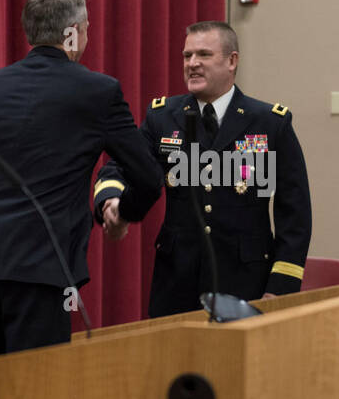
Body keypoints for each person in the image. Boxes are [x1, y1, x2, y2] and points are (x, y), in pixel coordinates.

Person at [0, 0, 161, 357]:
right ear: (74, 34)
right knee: (37, 394)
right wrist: (122, 215)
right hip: (42, 269)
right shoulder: (98, 92)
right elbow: (148, 177)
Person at [95, 21, 312, 317]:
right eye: (187, 56)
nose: (192, 64)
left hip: (246, 282)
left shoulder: (270, 123)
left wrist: (281, 286)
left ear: (232, 61)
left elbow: (294, 214)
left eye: (204, 55)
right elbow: (121, 166)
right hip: (176, 283)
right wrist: (112, 202)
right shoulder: (163, 117)